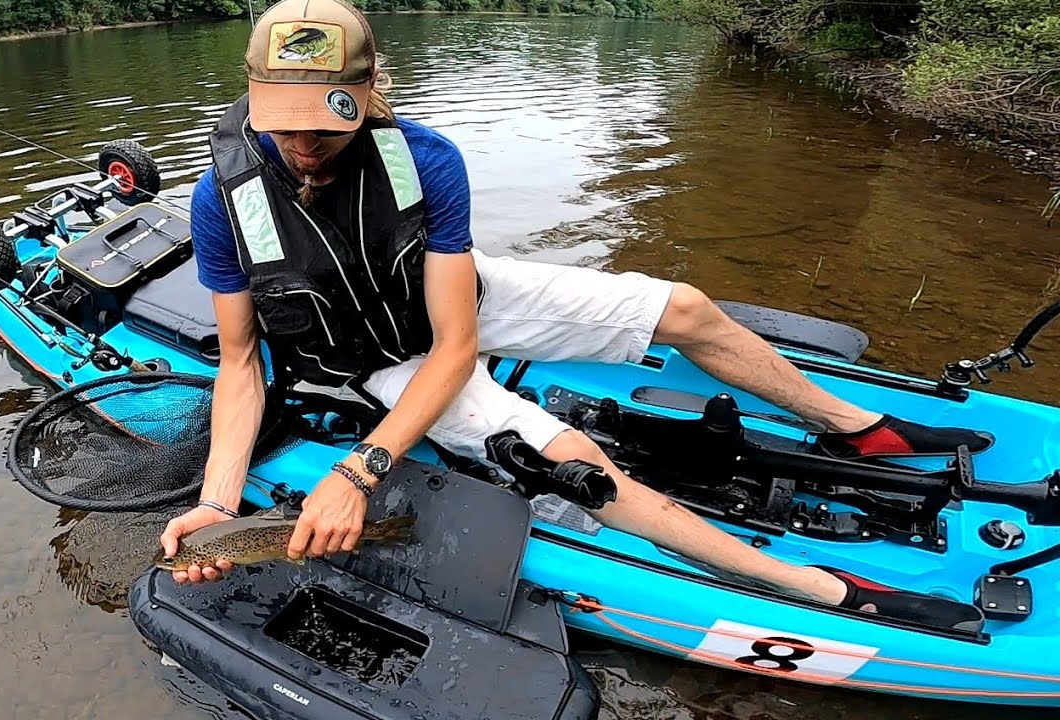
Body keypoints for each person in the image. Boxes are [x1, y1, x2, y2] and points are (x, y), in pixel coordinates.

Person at [159, 0, 990, 631]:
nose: (305, 143)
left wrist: (357, 473)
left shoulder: (427, 160)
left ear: (371, 89)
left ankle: (855, 426)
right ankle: (827, 589)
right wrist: (219, 505)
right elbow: (242, 362)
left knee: (688, 308)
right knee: (580, 464)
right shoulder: (220, 201)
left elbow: (459, 341)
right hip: (374, 358)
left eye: (327, 120)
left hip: (453, 309)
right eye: (287, 122)